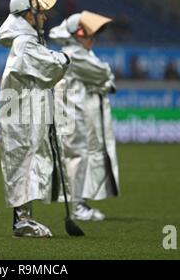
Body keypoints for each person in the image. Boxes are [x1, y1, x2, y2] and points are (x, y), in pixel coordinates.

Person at [0, 0, 70, 237]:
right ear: (28, 16)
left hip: (25, 114)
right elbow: (50, 67)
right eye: (40, 12)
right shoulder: (25, 43)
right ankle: (22, 221)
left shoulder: (27, 42)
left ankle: (24, 218)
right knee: (24, 164)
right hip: (22, 117)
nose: (45, 17)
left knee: (27, 163)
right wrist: (65, 59)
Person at [49, 11, 120, 222]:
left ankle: (78, 202)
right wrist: (104, 81)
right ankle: (77, 205)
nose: (93, 38)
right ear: (76, 34)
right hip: (71, 115)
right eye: (88, 34)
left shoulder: (80, 54)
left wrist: (103, 80)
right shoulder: (75, 54)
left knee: (79, 157)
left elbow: (102, 76)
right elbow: (103, 73)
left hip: (75, 114)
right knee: (76, 157)